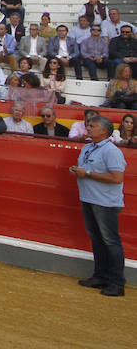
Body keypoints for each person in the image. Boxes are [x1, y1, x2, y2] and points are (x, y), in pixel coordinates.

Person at [70, 116, 126, 297]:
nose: (88, 127)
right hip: (89, 198)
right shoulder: (88, 148)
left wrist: (86, 173)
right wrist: (79, 171)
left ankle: (116, 282)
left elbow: (117, 178)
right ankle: (100, 276)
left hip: (105, 202)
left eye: (92, 126)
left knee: (110, 241)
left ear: (103, 131)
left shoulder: (111, 151)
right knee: (98, 240)